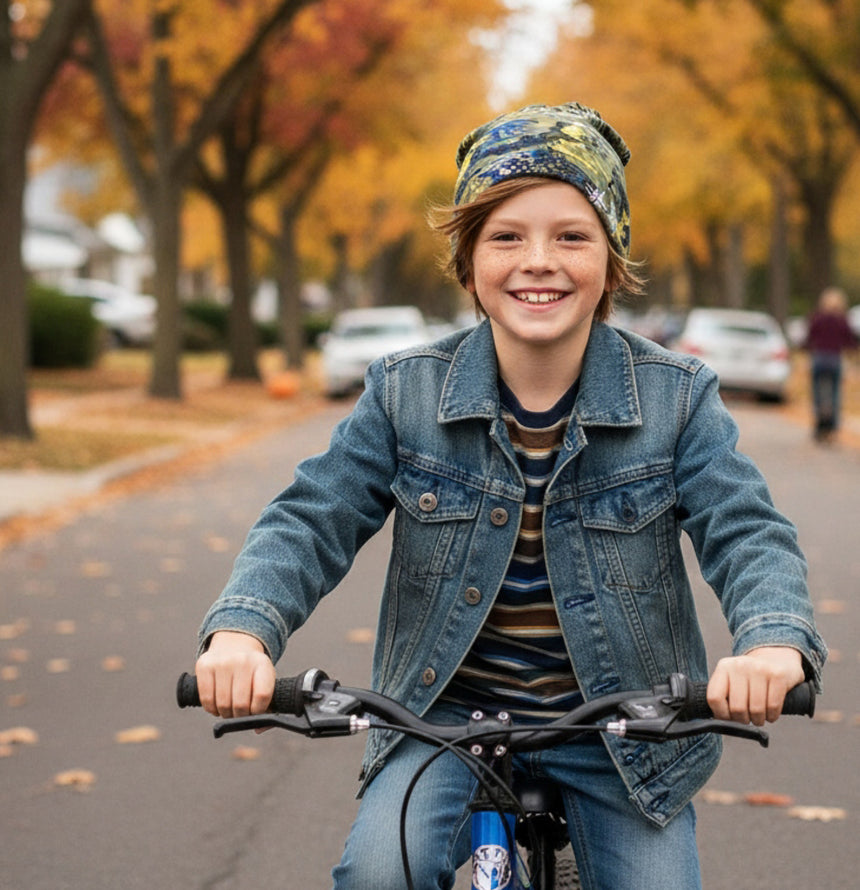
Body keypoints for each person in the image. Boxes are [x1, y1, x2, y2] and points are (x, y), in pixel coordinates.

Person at [193, 103, 827, 889]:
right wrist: (243, 635)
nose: (539, 261)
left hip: (622, 732)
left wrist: (771, 644)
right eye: (506, 236)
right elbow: (311, 518)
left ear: (611, 258)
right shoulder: (405, 393)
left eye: (571, 235)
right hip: (443, 720)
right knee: (377, 874)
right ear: (468, 263)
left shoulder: (678, 398)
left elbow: (747, 532)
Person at [804, 286, 856, 441]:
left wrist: (807, 349)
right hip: (835, 359)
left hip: (819, 358)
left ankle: (819, 424)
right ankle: (832, 427)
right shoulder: (842, 320)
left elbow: (809, 337)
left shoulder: (817, 317)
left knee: (817, 391)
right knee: (835, 393)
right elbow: (849, 339)